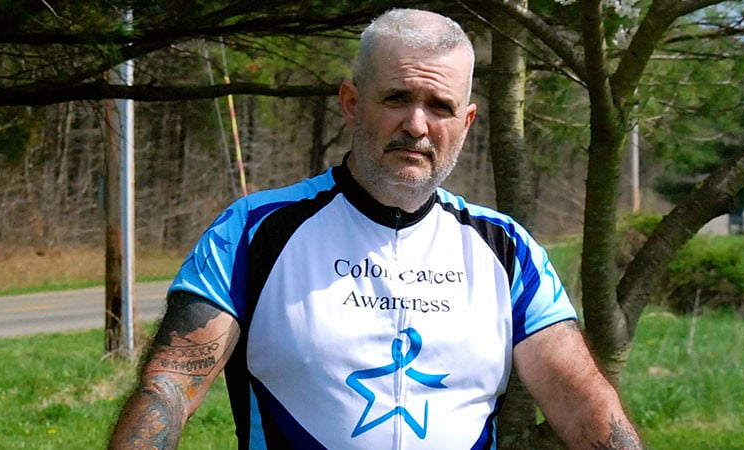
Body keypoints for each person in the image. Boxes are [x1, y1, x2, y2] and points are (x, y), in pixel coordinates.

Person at [109, 8, 642, 450]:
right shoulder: (252, 232)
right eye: (396, 98)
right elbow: (168, 390)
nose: (416, 124)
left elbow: (584, 405)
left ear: (468, 122)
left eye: (439, 106)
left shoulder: (507, 250)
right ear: (351, 103)